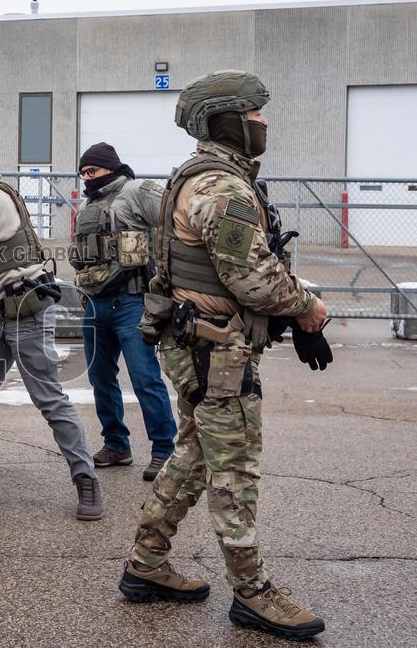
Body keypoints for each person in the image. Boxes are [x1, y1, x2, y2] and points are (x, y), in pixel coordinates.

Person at [121, 70, 330, 641]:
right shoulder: (224, 189)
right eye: (255, 115)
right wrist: (307, 308)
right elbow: (253, 279)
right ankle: (253, 592)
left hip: (196, 344)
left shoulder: (200, 178)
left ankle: (145, 564)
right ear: (229, 123)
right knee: (234, 469)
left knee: (192, 454)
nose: (263, 122)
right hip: (215, 352)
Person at [0, 138, 103, 521]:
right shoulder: (0, 192)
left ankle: (86, 480)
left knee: (48, 399)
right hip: (0, 313)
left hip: (22, 313)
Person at [71, 142, 177, 481]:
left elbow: (176, 223)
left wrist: (164, 280)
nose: (87, 177)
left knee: (145, 378)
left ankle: (164, 450)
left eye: (93, 171)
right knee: (100, 379)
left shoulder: (137, 191)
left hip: (131, 303)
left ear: (110, 167)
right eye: (83, 172)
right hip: (95, 303)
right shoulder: (90, 203)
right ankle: (116, 445)